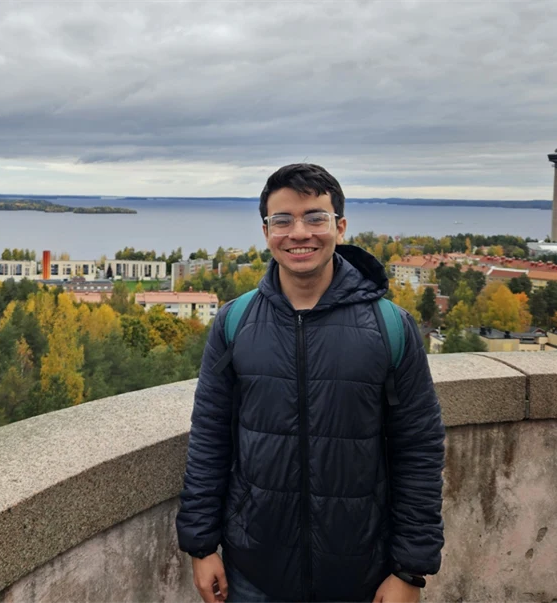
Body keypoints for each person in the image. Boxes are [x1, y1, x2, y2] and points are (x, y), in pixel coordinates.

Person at [176, 164, 445, 603]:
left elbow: (419, 449)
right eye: (283, 220)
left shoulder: (389, 326)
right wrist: (201, 546)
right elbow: (210, 437)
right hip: (252, 572)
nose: (299, 233)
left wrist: (409, 570)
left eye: (315, 217)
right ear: (267, 231)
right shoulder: (234, 322)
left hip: (361, 575)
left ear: (340, 226)